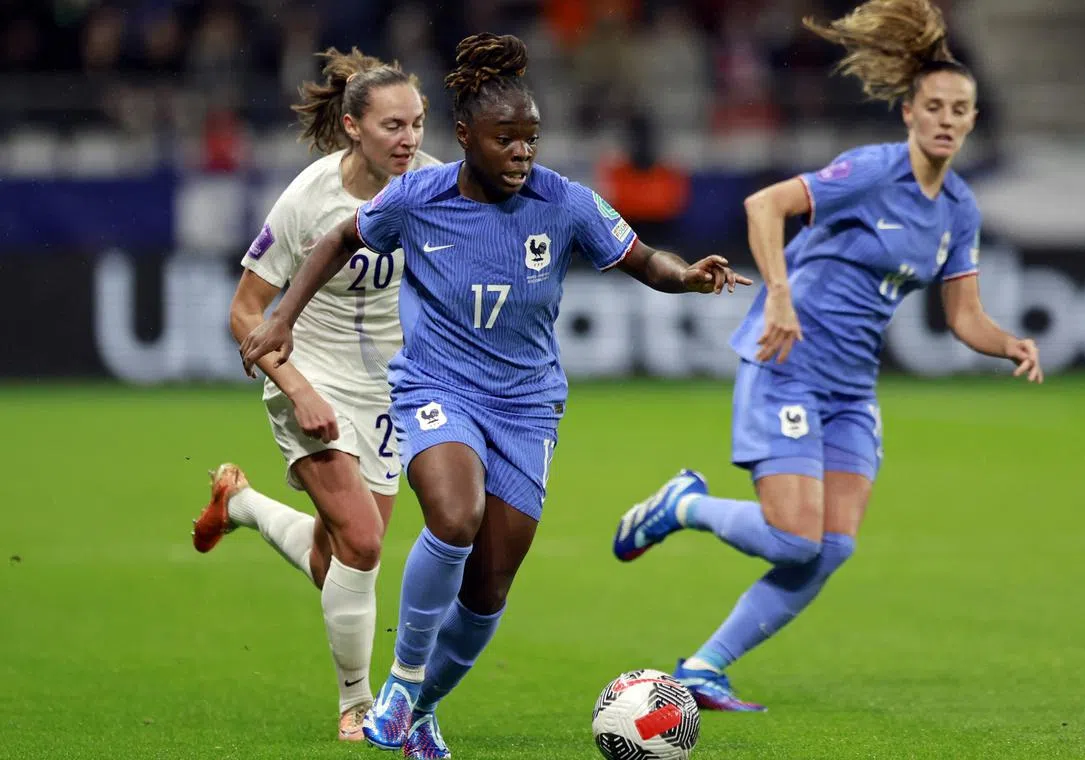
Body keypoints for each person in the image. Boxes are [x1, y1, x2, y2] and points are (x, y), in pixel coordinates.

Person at [238, 32, 750, 760]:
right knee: (455, 515)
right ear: (468, 137)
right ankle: (399, 686)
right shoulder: (420, 195)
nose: (522, 152)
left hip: (527, 405)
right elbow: (336, 240)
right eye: (506, 139)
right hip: (436, 386)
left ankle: (422, 711)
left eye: (531, 138)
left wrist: (687, 274)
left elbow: (642, 258)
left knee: (488, 588)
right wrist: (282, 319)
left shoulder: (564, 202)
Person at [612, 0, 1044, 712]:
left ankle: (704, 667)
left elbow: (963, 317)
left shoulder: (958, 209)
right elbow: (763, 206)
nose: (945, 118)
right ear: (908, 112)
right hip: (786, 362)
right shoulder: (872, 172)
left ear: (972, 120)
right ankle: (685, 506)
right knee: (792, 537)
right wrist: (779, 293)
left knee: (832, 546)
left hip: (849, 389)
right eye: (932, 105)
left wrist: (1009, 344)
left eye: (959, 109)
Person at [190, 47, 441, 742]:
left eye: (417, 124)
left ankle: (240, 504)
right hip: (311, 373)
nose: (410, 139)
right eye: (394, 125)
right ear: (353, 126)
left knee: (339, 559)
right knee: (363, 544)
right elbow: (247, 311)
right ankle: (359, 706)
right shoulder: (309, 198)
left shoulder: (434, 185)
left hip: (389, 387)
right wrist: (296, 387)